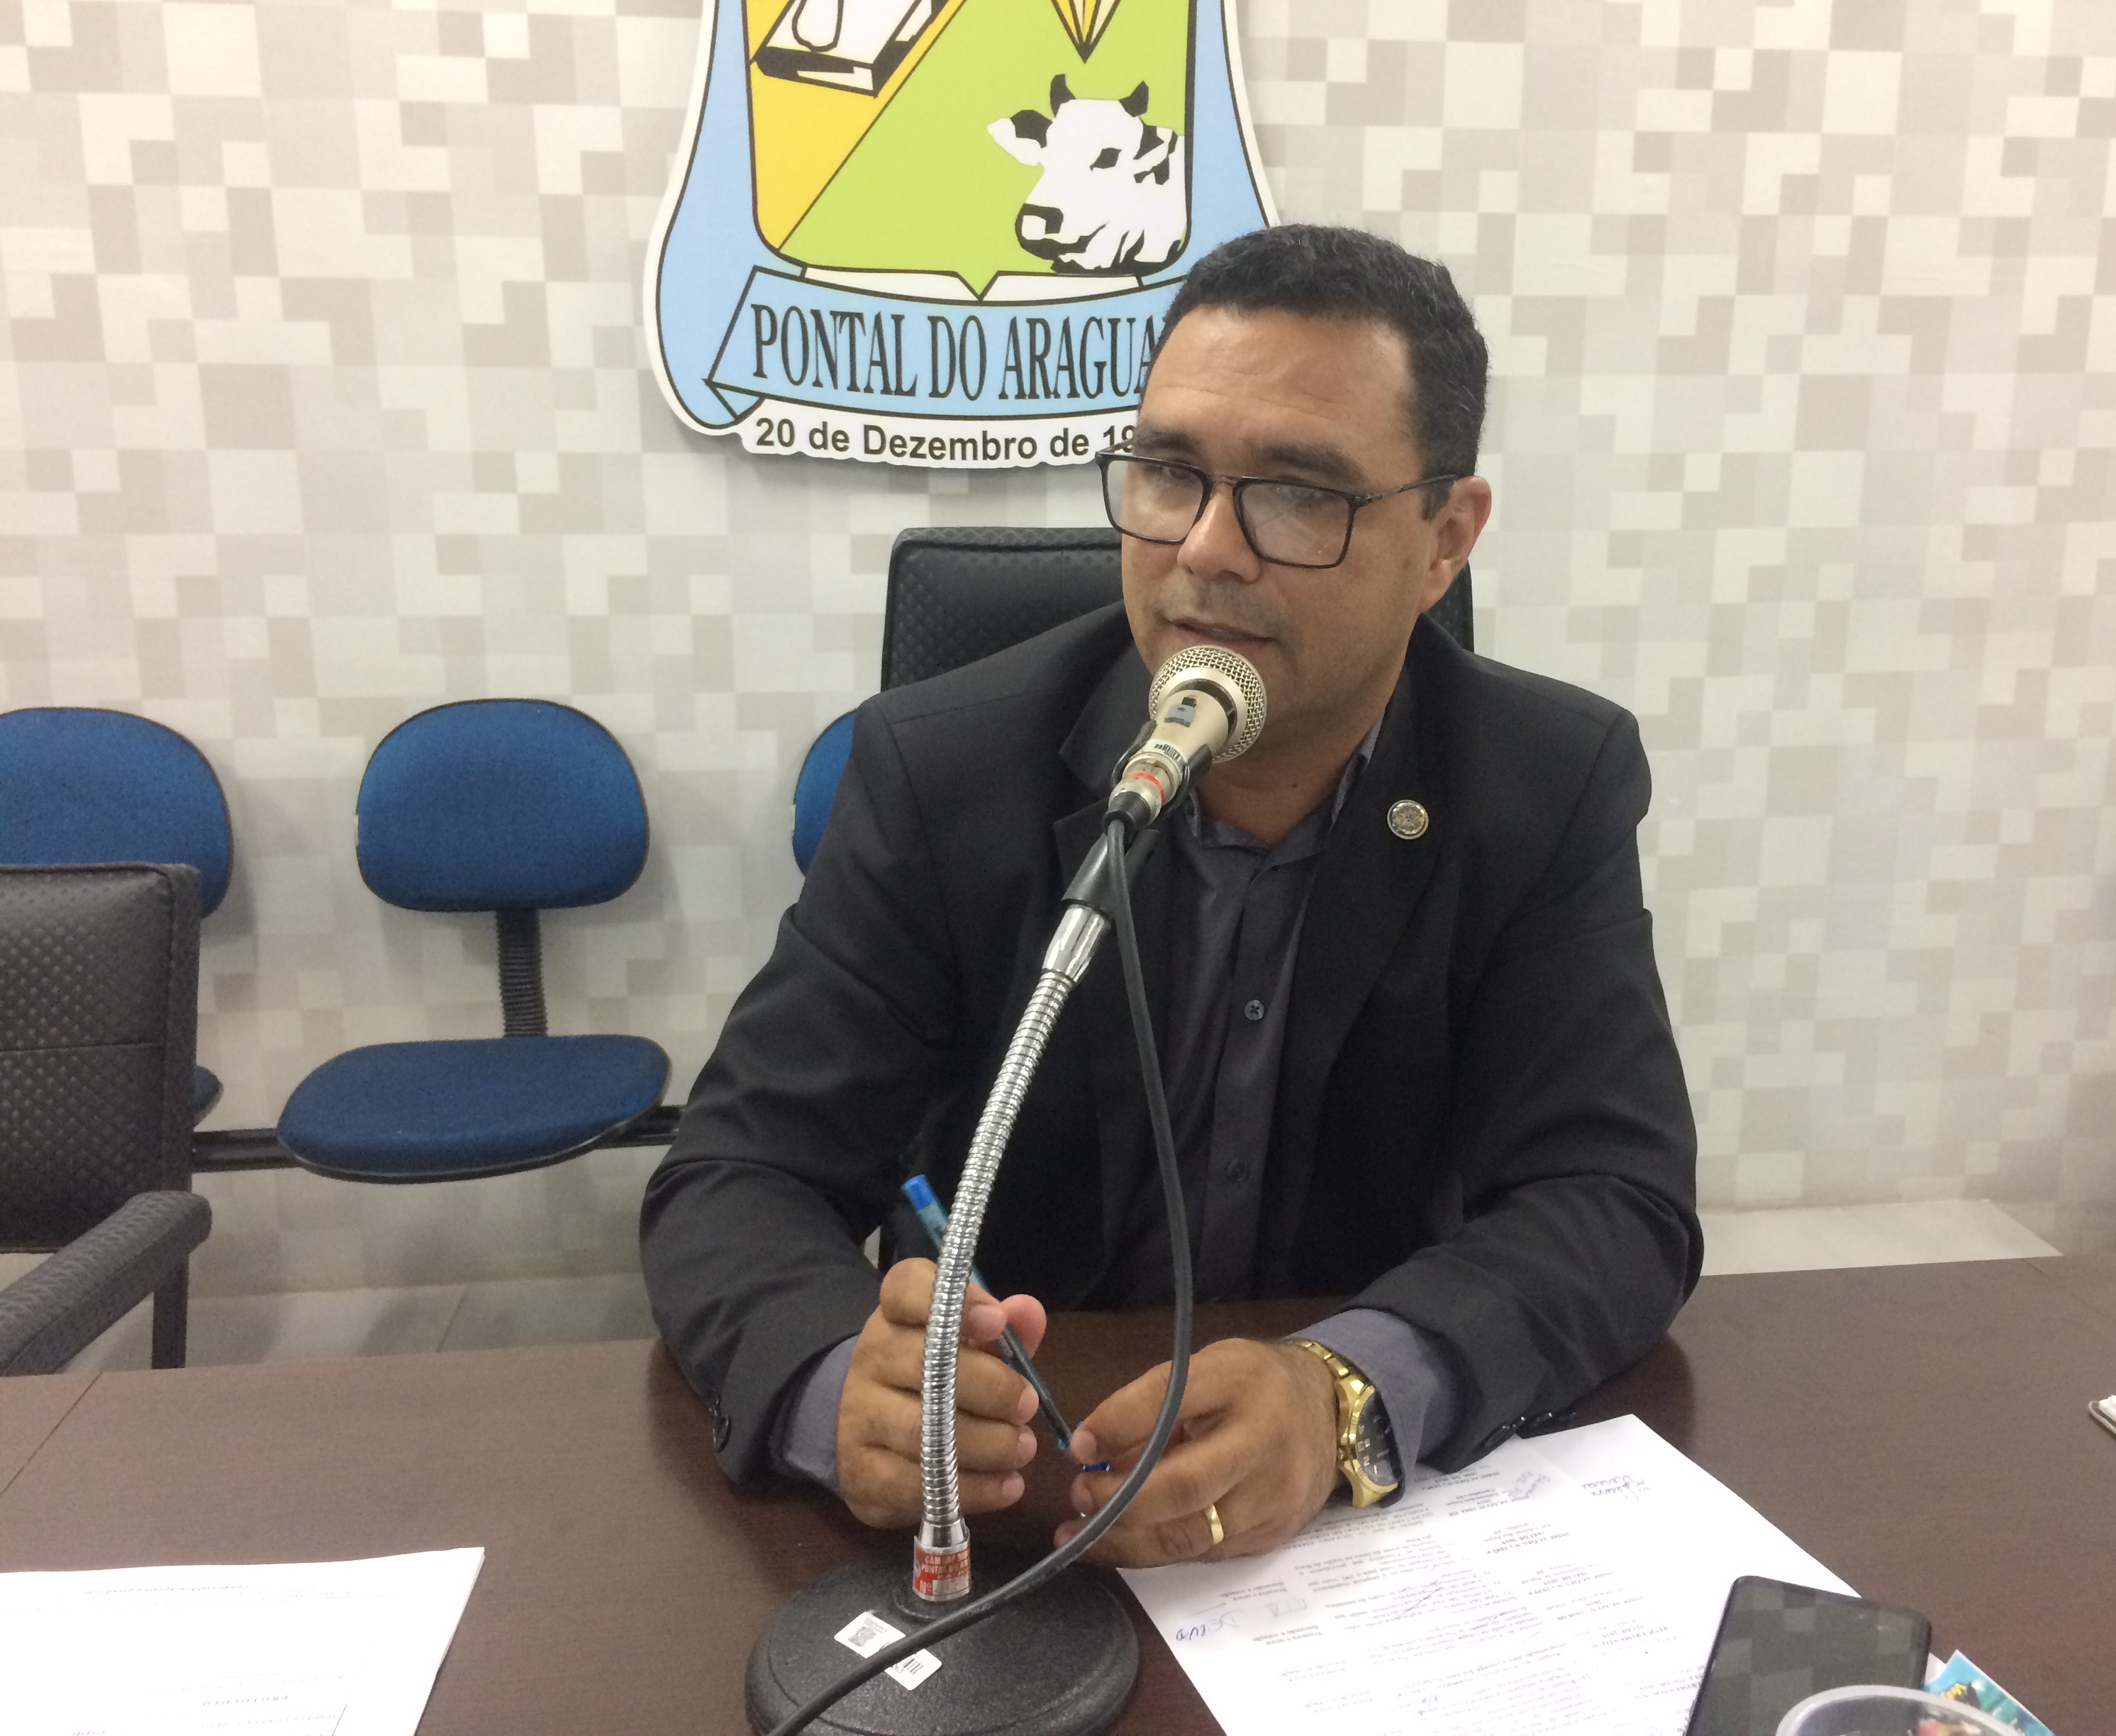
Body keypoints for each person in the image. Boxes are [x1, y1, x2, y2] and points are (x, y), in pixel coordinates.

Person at [641, 223, 1699, 1569]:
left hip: (1347, 1544)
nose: (1206, 549)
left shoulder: (1544, 783)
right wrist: (829, 1380)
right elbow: (735, 1175)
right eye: (1168, 472)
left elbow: (1614, 1196)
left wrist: (1346, 1391)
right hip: (1013, 1488)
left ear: (1445, 540)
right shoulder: (941, 769)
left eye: (1298, 495)